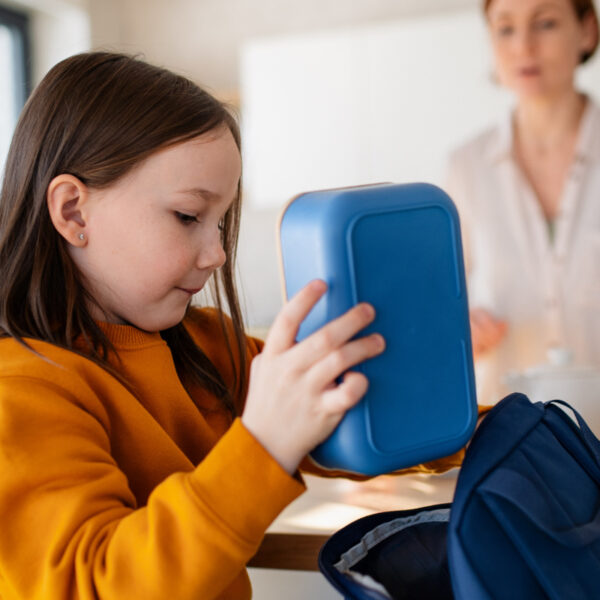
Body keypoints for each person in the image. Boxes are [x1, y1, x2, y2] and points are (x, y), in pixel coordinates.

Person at [0, 52, 468, 600]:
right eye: (187, 217)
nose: (217, 254)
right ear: (74, 212)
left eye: (221, 221)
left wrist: (491, 428)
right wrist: (264, 444)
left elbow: (349, 415)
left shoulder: (205, 347)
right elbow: (98, 584)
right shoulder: (21, 392)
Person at [445, 0, 600, 404]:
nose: (523, 46)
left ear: (586, 30)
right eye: (505, 28)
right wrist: (459, 330)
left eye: (545, 23)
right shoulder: (465, 166)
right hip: (509, 441)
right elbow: (434, 317)